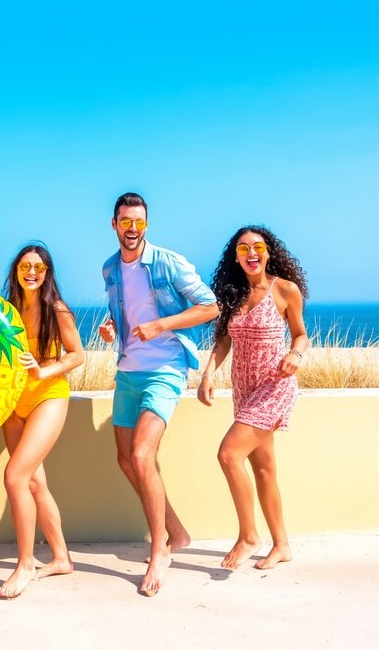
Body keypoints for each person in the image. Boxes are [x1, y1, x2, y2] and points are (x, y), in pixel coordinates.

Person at [98, 192, 218, 596]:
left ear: (146, 225)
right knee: (124, 460)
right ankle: (177, 531)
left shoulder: (169, 262)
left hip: (165, 370)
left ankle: (160, 550)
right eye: (126, 222)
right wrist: (111, 328)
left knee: (141, 454)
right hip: (128, 372)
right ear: (114, 224)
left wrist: (162, 325)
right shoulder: (110, 268)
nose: (133, 229)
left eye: (140, 222)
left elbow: (210, 307)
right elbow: (123, 312)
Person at [198, 226, 308, 570]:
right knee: (264, 469)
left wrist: (296, 355)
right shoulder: (232, 294)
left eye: (257, 246)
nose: (251, 253)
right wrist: (208, 373)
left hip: (275, 387)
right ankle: (282, 545)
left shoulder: (286, 290)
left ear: (268, 252)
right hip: (244, 391)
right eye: (243, 248)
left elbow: (301, 334)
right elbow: (224, 341)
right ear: (236, 256)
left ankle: (248, 536)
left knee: (229, 454)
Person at [0, 243, 84, 599]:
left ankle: (25, 564)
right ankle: (61, 558)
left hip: (48, 394)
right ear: (16, 271)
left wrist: (43, 369)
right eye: (25, 266)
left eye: (39, 267)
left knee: (14, 476)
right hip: (11, 400)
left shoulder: (57, 309)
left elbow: (78, 355)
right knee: (34, 483)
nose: (31, 272)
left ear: (47, 273)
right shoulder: (5, 310)